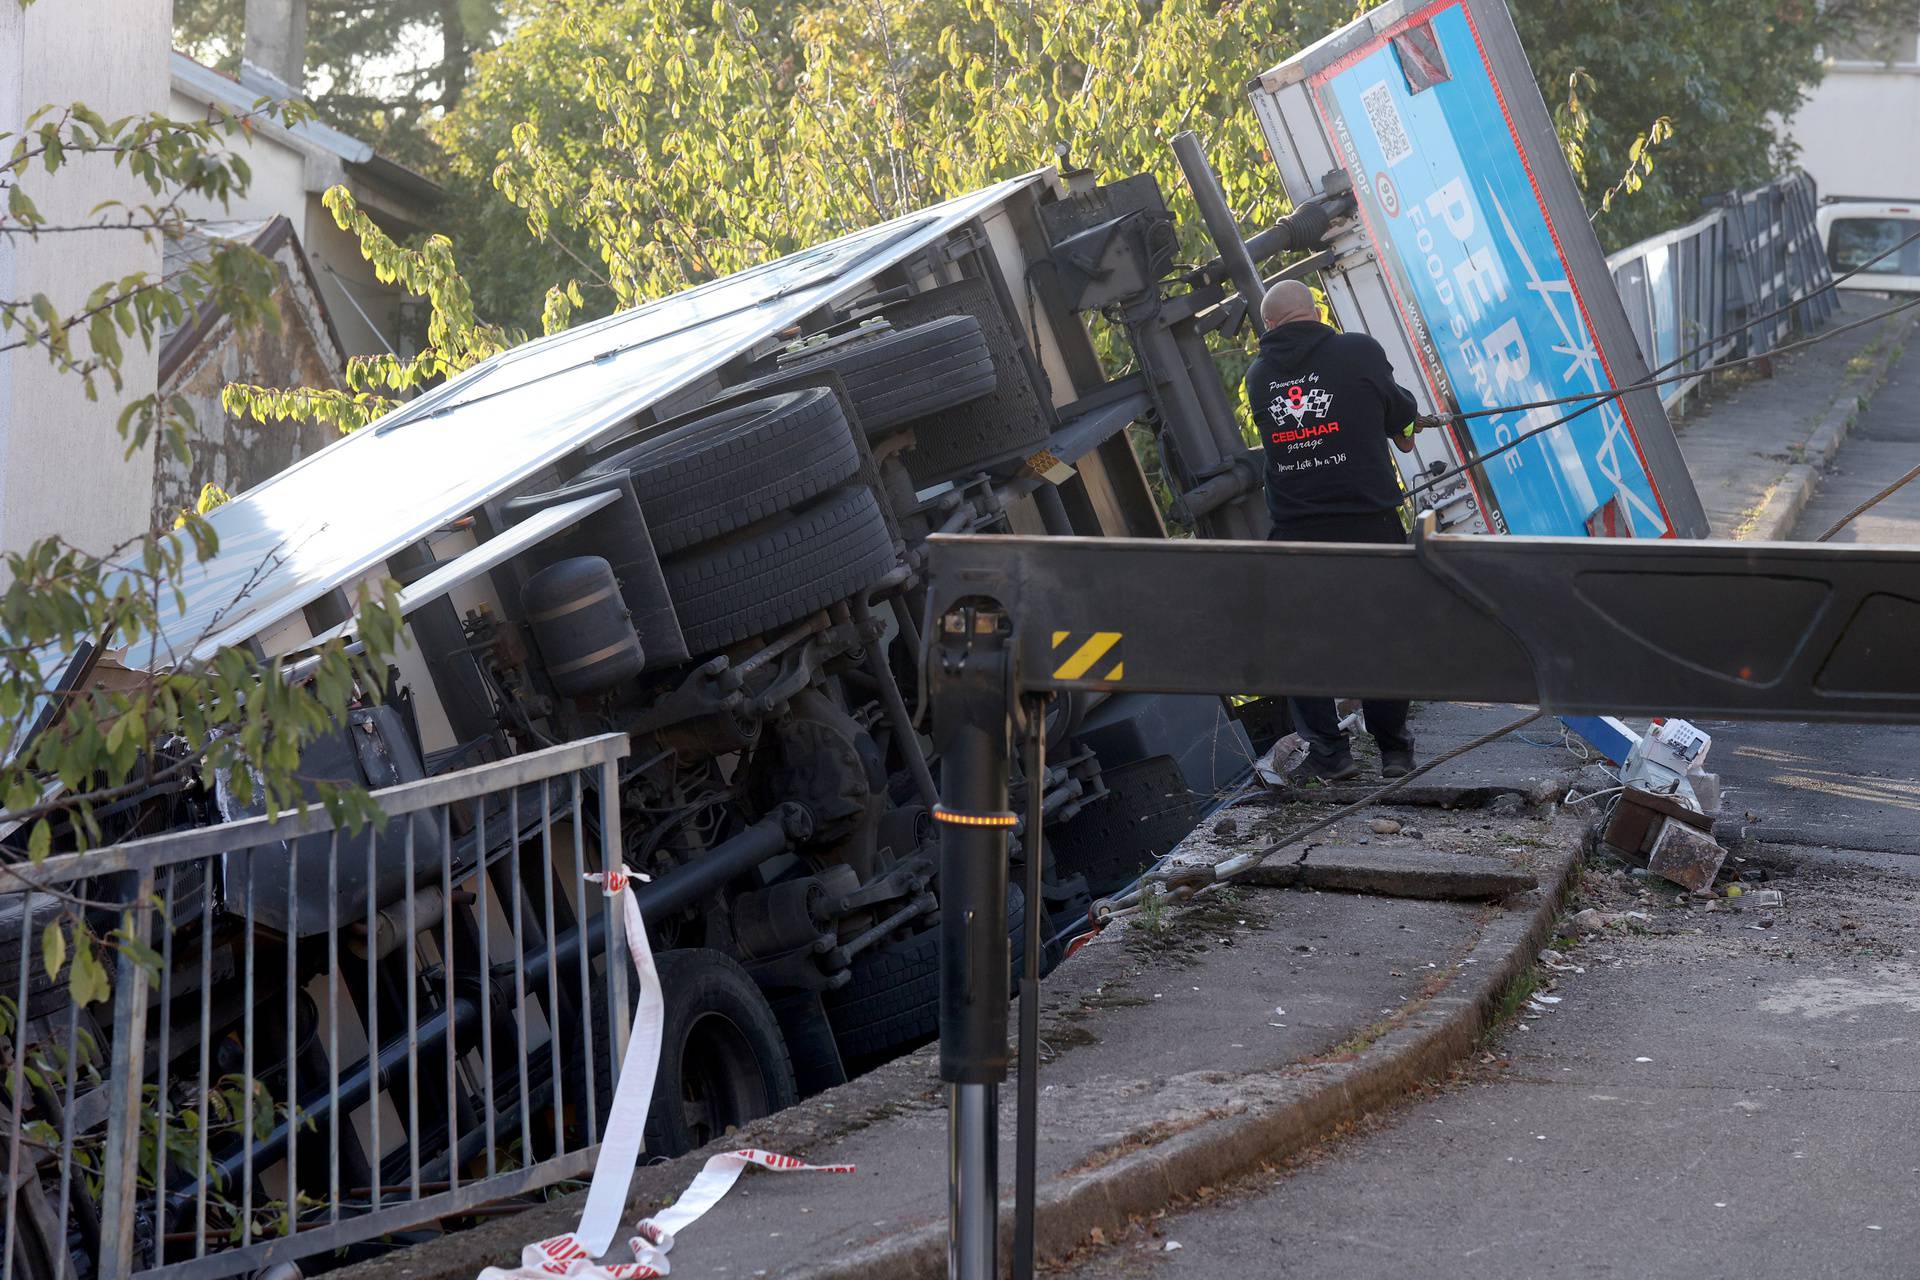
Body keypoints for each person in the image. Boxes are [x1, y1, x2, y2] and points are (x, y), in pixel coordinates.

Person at [1244, 280, 1443, 782]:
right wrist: (1405, 421)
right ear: (1314, 313)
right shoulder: (1358, 350)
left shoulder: (1258, 374)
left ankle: (1331, 754)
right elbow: (1397, 413)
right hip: (1369, 523)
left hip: (1297, 531)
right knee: (1382, 633)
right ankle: (1394, 752)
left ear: (1269, 326)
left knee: (1295, 642)